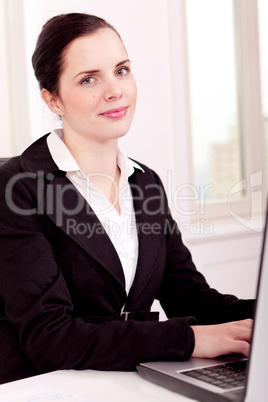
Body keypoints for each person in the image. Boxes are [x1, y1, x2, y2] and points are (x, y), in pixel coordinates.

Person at [0, 13, 254, 384]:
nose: (115, 90)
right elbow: (49, 337)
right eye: (89, 79)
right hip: (42, 383)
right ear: (53, 99)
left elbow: (188, 294)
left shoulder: (145, 182)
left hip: (123, 377)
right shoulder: (17, 189)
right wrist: (188, 338)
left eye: (121, 70)